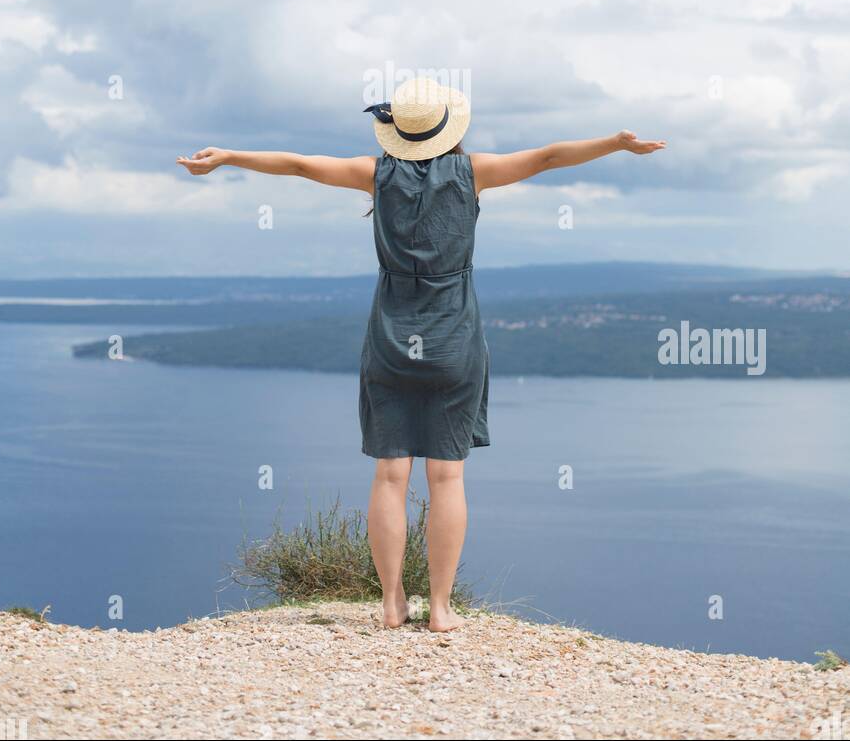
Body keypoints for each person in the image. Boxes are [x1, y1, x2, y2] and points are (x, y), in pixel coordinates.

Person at [177, 76, 665, 632]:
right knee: (447, 478)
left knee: (390, 474)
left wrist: (229, 156)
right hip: (454, 339)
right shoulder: (474, 172)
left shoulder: (373, 175)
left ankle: (390, 604)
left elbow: (300, 165)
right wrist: (617, 143)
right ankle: (439, 608)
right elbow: (550, 156)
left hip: (389, 338)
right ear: (447, 128)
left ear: (394, 133)